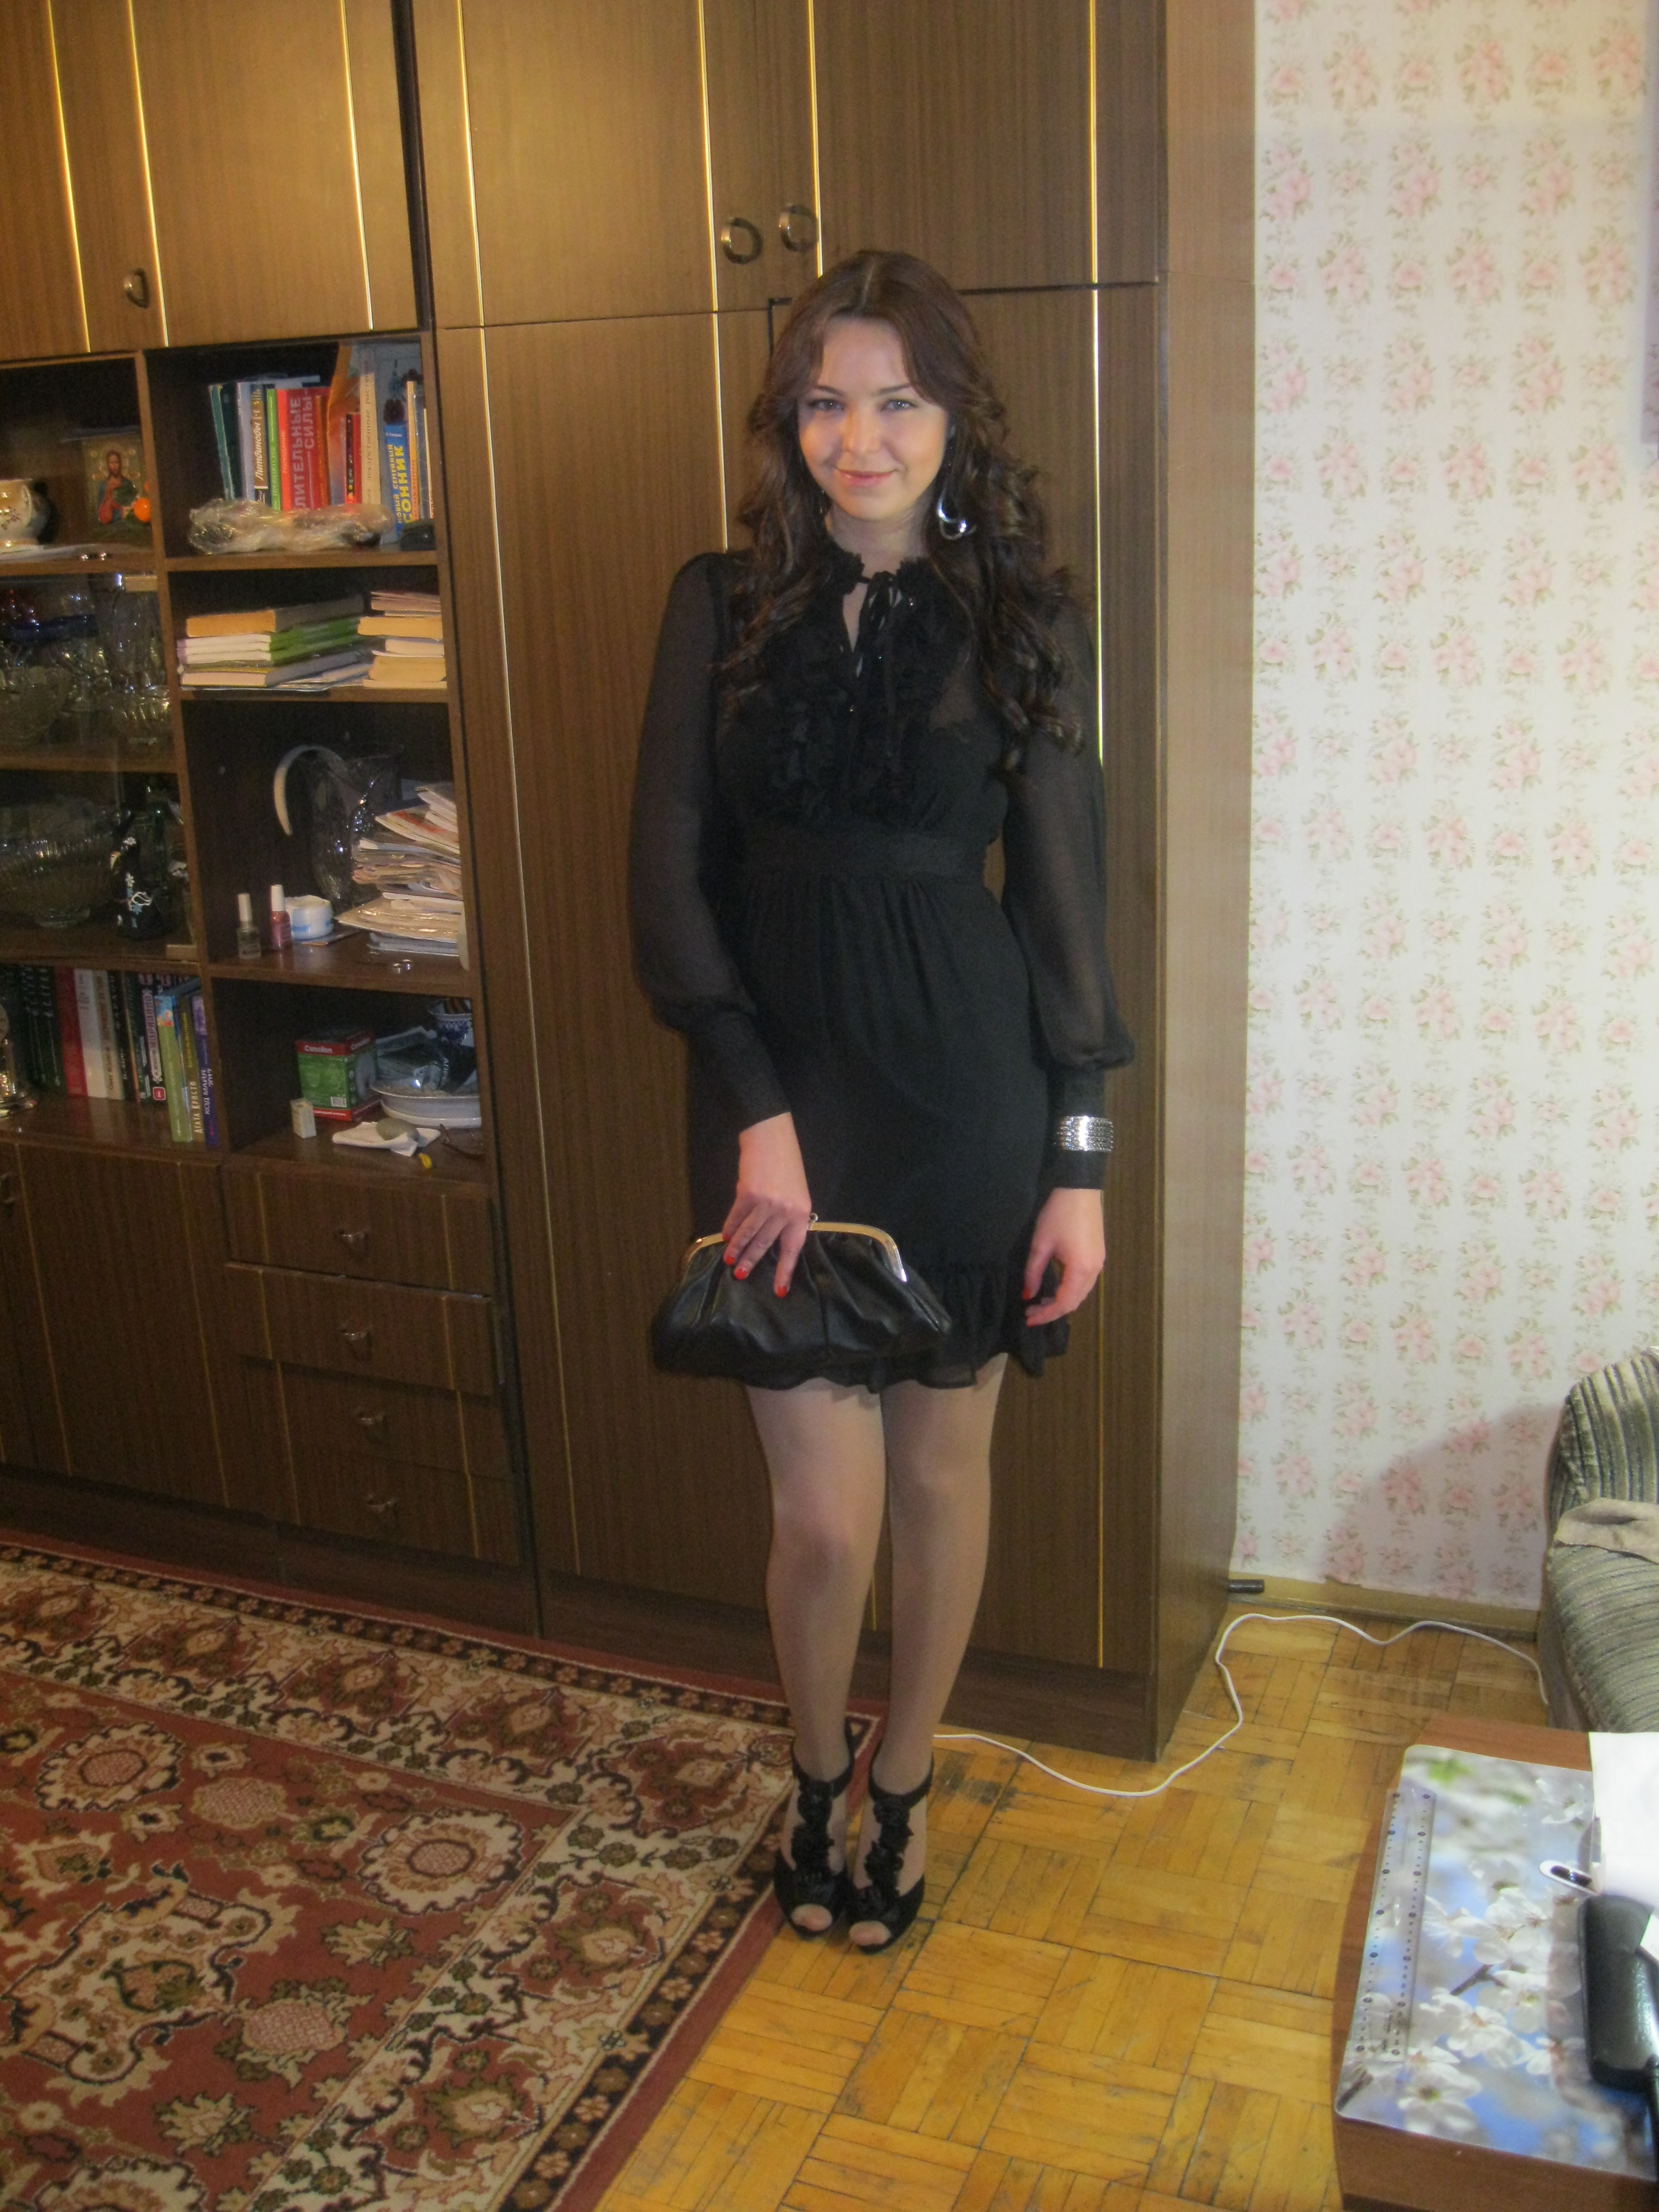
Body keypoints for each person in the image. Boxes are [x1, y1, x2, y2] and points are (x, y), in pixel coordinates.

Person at [629, 251, 1132, 1950]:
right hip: (775, 1105)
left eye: (898, 399)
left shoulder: (1025, 618)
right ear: (790, 420)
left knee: (939, 1482)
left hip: (969, 1100)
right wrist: (753, 1107)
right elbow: (669, 880)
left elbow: (1066, 906)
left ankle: (903, 1785)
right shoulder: (719, 602)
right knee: (824, 1518)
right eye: (828, 401)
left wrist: (1080, 1164)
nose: (862, 436)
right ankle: (810, 1767)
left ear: (952, 417)